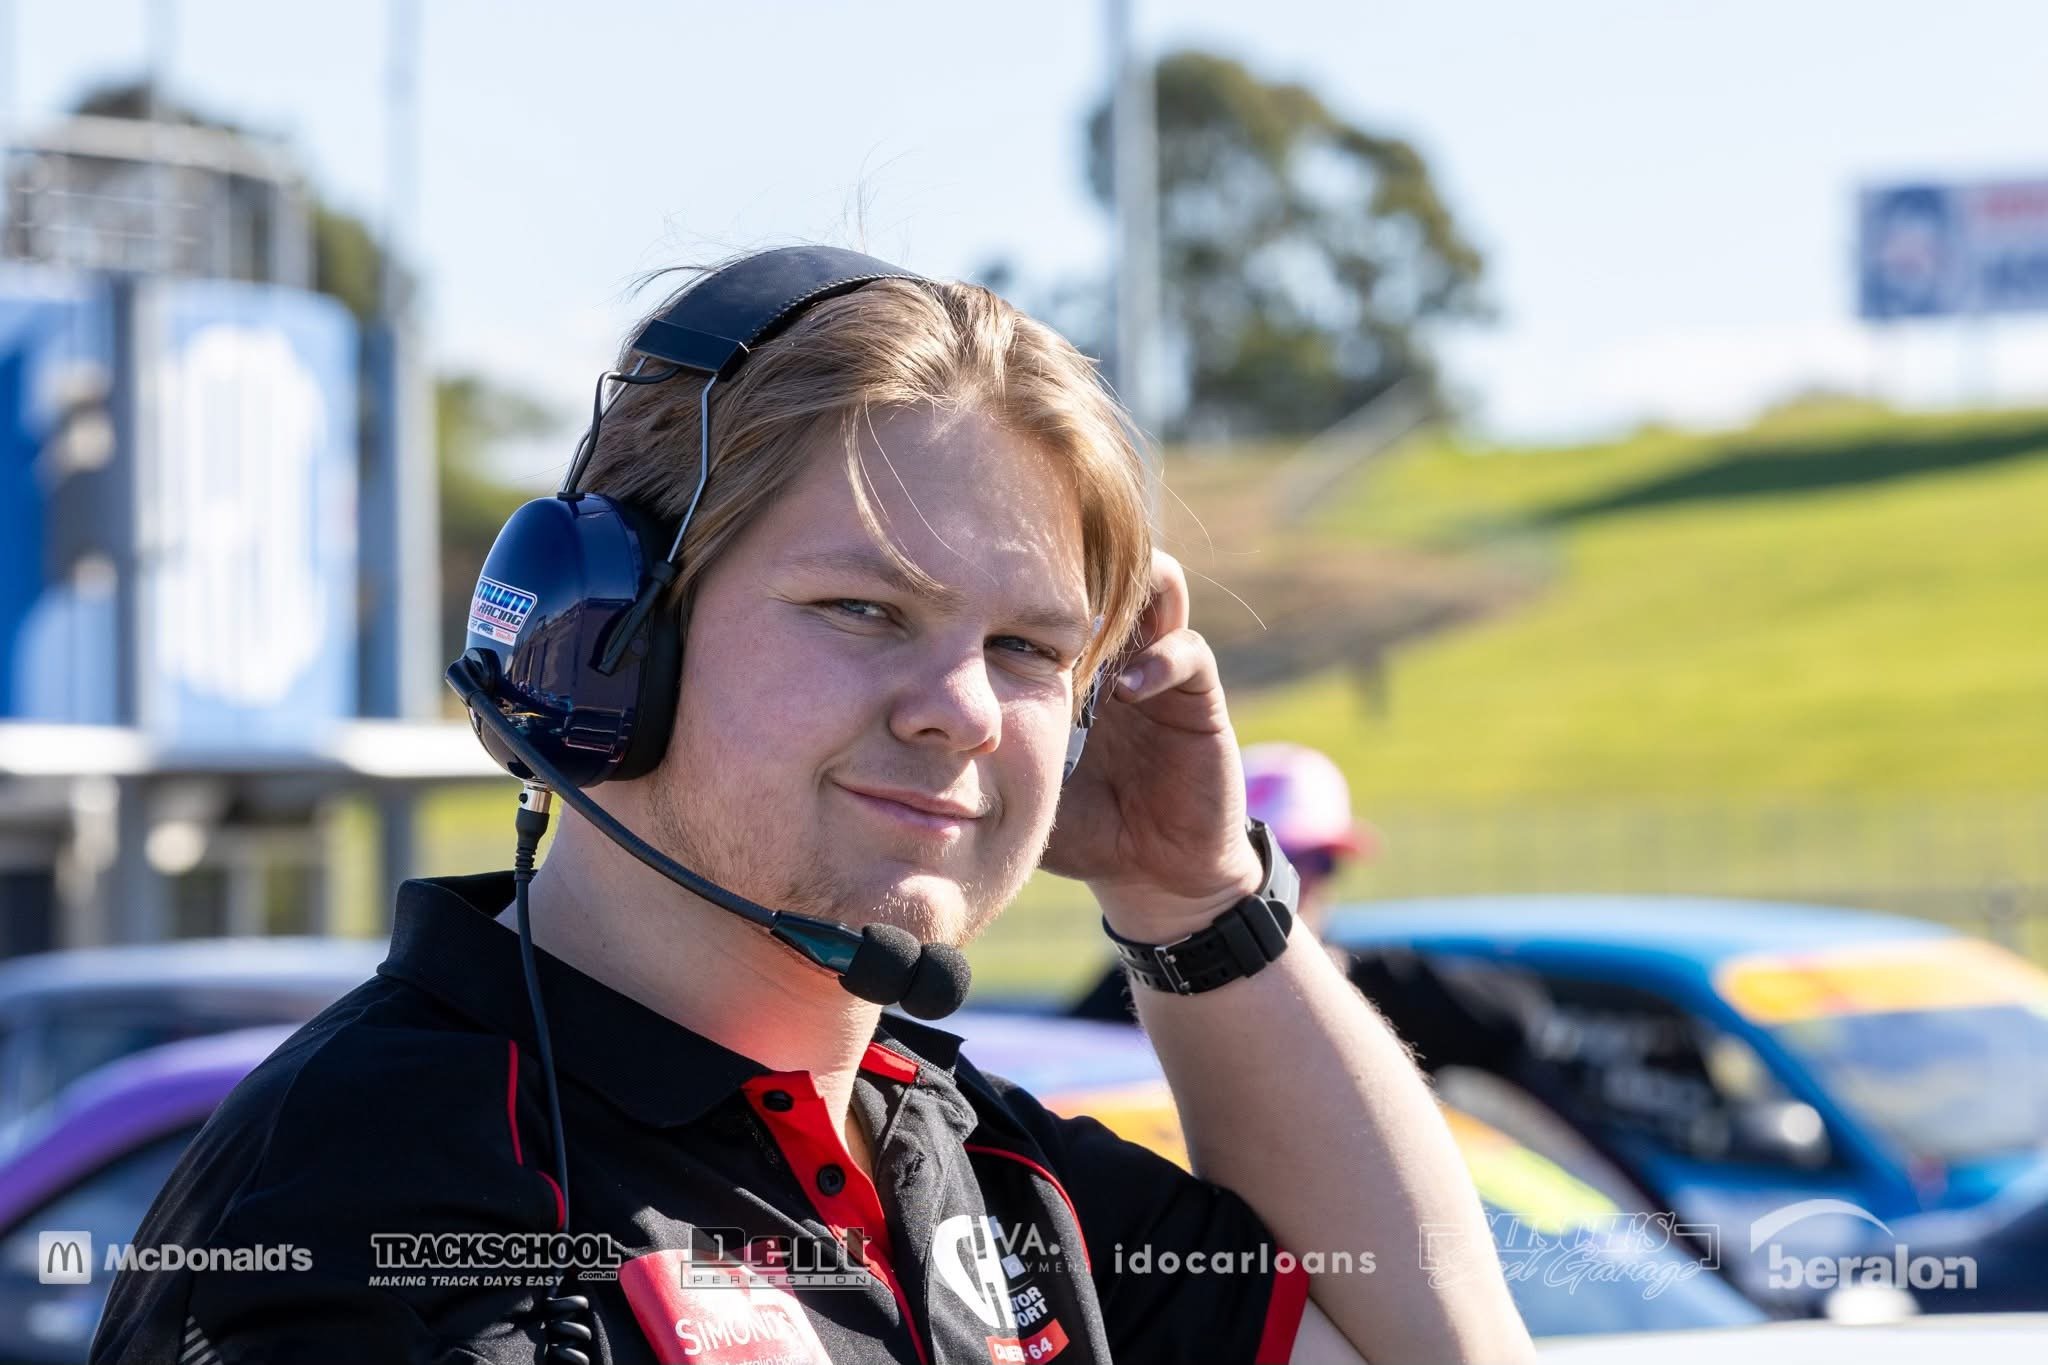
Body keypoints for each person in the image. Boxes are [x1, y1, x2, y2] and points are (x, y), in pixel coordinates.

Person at [92, 248, 1531, 1364]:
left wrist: (1195, 897)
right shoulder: (372, 1190)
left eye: (1029, 650)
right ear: (609, 636)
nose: (962, 707)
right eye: (863, 607)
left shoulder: (983, 1167)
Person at [1070, 742, 1373, 1021]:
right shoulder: (1130, 994)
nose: (1298, 882)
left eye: (1322, 861)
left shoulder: (1403, 987)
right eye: (1272, 861)